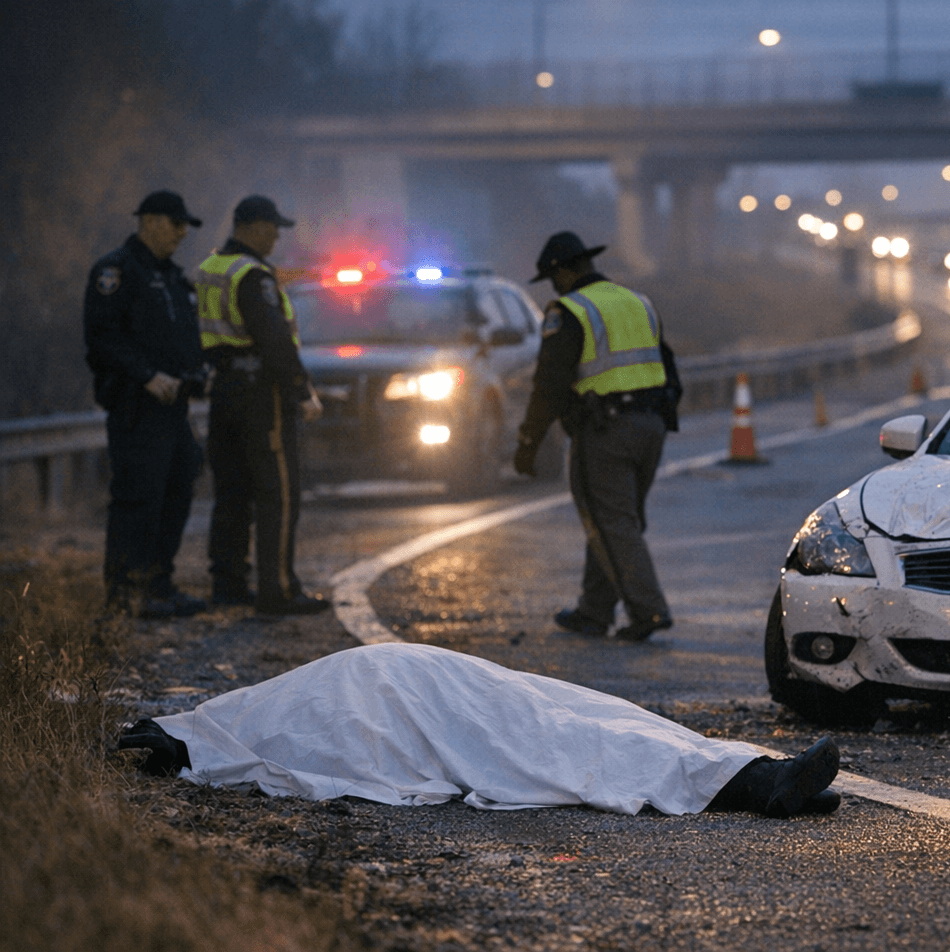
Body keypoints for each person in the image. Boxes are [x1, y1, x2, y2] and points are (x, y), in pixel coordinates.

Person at [117, 642, 841, 818]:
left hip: (435, 679)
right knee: (556, 746)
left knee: (591, 716)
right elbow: (335, 749)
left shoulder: (227, 718)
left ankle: (758, 772)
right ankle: (759, 783)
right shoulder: (227, 733)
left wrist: (177, 735)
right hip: (424, 706)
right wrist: (179, 742)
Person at [513, 232, 683, 642]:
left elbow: (549, 384)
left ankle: (649, 611)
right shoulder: (635, 301)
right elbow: (670, 369)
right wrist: (662, 420)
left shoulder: (569, 310)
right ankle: (594, 609)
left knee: (610, 521)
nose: (553, 286)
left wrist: (528, 441)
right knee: (616, 521)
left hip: (605, 431)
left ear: (565, 271)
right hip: (650, 427)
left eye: (552, 278)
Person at [196, 196, 330, 616]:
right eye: (273, 228)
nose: (277, 236)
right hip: (261, 394)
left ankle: (229, 585)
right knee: (279, 492)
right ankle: (279, 590)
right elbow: (274, 339)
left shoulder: (209, 268)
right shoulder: (254, 276)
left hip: (224, 389)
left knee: (232, 491)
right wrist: (300, 390)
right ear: (252, 226)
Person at [84, 190, 209, 618]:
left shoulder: (173, 278)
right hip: (136, 405)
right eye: (176, 224)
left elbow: (185, 339)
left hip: (174, 406)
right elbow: (102, 339)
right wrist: (146, 376)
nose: (180, 234)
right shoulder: (117, 271)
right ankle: (124, 593)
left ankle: (158, 585)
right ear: (151, 221)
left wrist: (198, 373)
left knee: (177, 485)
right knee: (138, 496)